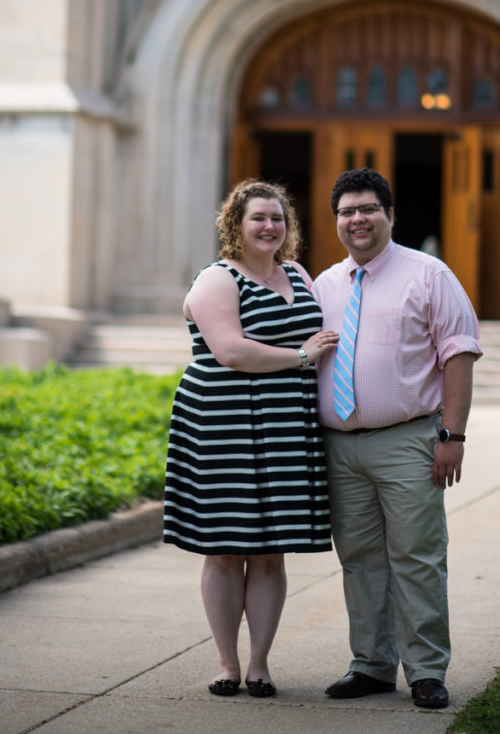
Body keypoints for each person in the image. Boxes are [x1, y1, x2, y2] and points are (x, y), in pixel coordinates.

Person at [311, 168, 482, 710]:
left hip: (408, 441)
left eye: (367, 209)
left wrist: (452, 435)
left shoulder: (428, 274)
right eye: (346, 211)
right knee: (360, 560)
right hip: (341, 447)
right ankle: (372, 664)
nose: (356, 219)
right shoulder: (325, 284)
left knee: (417, 556)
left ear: (390, 215)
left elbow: (459, 351)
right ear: (335, 220)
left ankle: (427, 670)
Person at [163, 179, 339, 699]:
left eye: (278, 218)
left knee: (268, 552)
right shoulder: (217, 279)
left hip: (287, 425)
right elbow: (231, 352)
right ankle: (226, 664)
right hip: (223, 425)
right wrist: (302, 357)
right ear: (235, 225)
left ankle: (260, 664)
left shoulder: (299, 274)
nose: (269, 226)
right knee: (223, 548)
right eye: (258, 217)